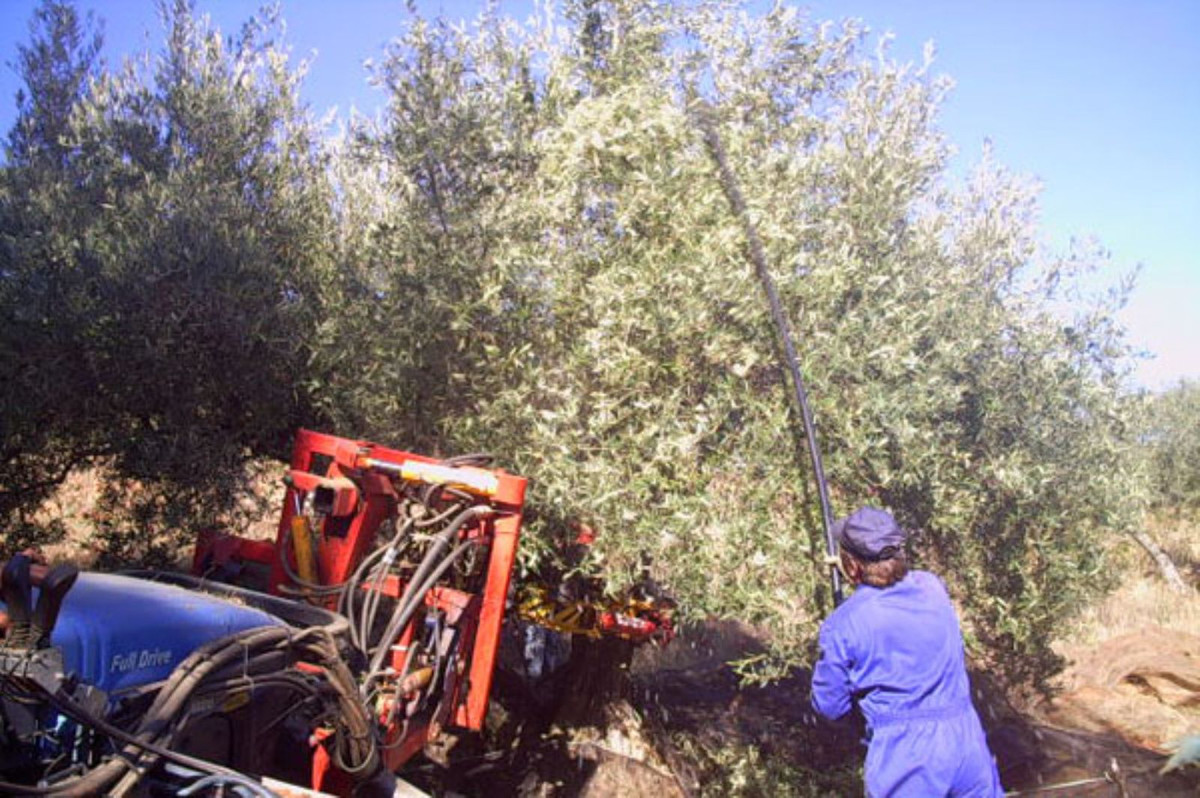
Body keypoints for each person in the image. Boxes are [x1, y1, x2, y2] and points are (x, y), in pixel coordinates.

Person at [811, 506, 1003, 797]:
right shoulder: (932, 587)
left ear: (851, 566)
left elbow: (829, 705)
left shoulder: (843, 624)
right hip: (967, 744)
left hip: (906, 754)